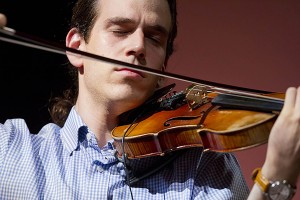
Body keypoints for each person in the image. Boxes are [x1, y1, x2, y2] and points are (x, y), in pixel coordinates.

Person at [0, 0, 299, 199]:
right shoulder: (14, 151)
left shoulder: (203, 167)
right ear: (77, 48)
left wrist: (277, 176)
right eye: (120, 30)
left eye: (155, 37)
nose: (139, 46)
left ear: (162, 62)